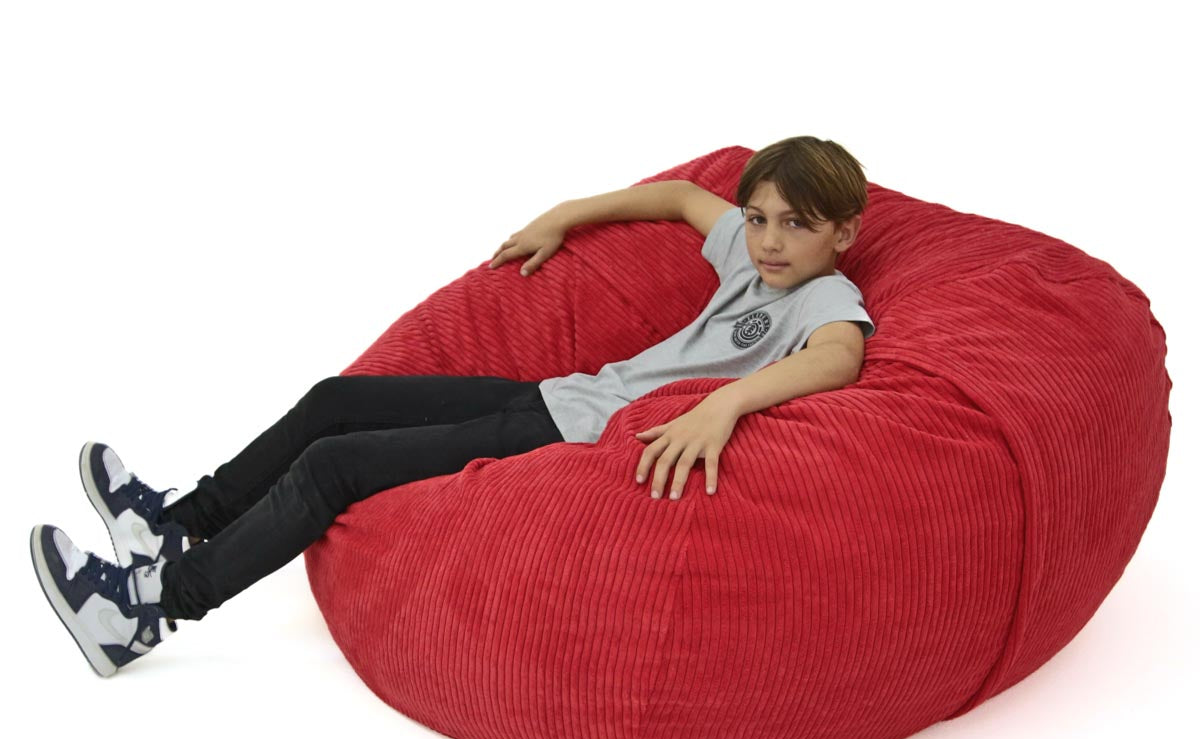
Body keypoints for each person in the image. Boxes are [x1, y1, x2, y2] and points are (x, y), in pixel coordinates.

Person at [30, 135, 876, 679]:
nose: (767, 239)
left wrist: (727, 404)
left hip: (575, 431)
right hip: (560, 394)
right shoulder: (753, 256)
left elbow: (840, 359)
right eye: (760, 217)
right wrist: (566, 215)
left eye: (794, 225)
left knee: (334, 467)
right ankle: (180, 520)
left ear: (841, 232)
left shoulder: (822, 298)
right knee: (336, 402)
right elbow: (681, 199)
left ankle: (147, 610)